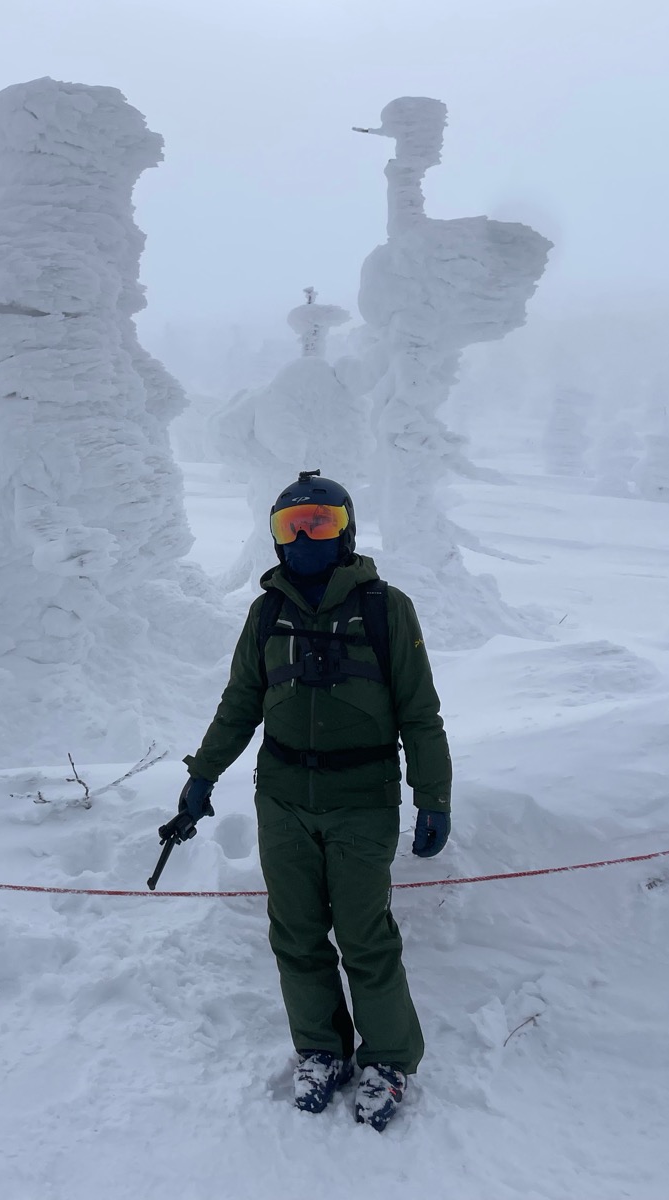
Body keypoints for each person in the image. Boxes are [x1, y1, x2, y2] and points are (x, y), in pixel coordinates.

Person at [175, 470, 451, 1130]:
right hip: (282, 801)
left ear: (346, 531)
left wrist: (433, 796)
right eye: (290, 526)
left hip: (363, 800)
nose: (303, 538)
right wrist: (203, 775)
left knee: (364, 937)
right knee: (295, 934)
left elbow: (420, 713)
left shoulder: (386, 608)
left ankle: (387, 1060)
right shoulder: (266, 613)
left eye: (319, 524)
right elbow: (241, 703)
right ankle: (321, 1050)